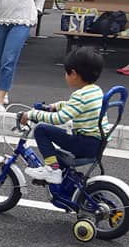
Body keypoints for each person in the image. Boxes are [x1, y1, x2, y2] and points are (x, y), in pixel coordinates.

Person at [18, 47, 110, 184]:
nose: (65, 76)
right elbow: (73, 106)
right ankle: (61, 177)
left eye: (66, 73)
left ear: (73, 73)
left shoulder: (79, 95)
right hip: (97, 143)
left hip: (85, 143)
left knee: (42, 130)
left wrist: (33, 114)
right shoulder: (95, 90)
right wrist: (53, 107)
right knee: (59, 149)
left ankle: (52, 170)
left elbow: (59, 118)